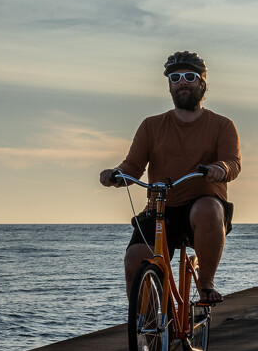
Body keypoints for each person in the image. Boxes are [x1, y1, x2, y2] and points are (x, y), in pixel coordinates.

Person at [100, 51, 241, 304]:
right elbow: (132, 167)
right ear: (169, 85)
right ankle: (151, 327)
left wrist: (220, 168)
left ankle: (206, 284)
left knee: (208, 208)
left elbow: (233, 163)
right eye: (175, 78)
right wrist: (115, 176)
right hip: (160, 208)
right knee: (135, 260)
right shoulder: (151, 126)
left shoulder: (222, 125)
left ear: (202, 83)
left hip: (202, 205)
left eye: (189, 76)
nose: (182, 82)